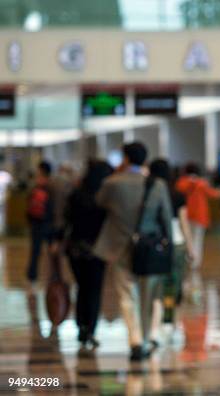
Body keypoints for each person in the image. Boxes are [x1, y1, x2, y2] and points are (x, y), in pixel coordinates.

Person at [93, 142, 173, 361]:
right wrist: (169, 248)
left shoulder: (112, 183)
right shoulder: (157, 185)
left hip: (119, 246)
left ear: (125, 158)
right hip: (150, 247)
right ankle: (147, 339)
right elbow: (166, 217)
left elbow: (99, 203)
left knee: (127, 295)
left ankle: (135, 340)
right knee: (149, 295)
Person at [64, 160, 113, 348]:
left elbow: (67, 220)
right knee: (94, 290)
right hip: (97, 250)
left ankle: (81, 326)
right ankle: (90, 329)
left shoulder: (76, 195)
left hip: (76, 249)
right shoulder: (104, 199)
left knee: (82, 287)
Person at [149, 159, 194, 329]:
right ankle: (169, 315)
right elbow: (184, 223)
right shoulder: (177, 194)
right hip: (177, 242)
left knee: (157, 281)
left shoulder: (149, 194)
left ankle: (157, 313)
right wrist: (190, 247)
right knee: (173, 281)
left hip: (156, 243)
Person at [175, 162, 220, 270]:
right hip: (200, 216)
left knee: (186, 239)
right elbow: (213, 194)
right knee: (197, 240)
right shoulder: (202, 183)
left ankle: (186, 260)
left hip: (184, 215)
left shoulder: (180, 183)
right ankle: (195, 263)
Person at [26, 161, 55, 283]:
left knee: (35, 251)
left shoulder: (37, 185)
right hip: (49, 223)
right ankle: (54, 277)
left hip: (37, 223)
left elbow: (30, 204)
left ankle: (32, 277)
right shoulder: (52, 185)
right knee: (52, 253)